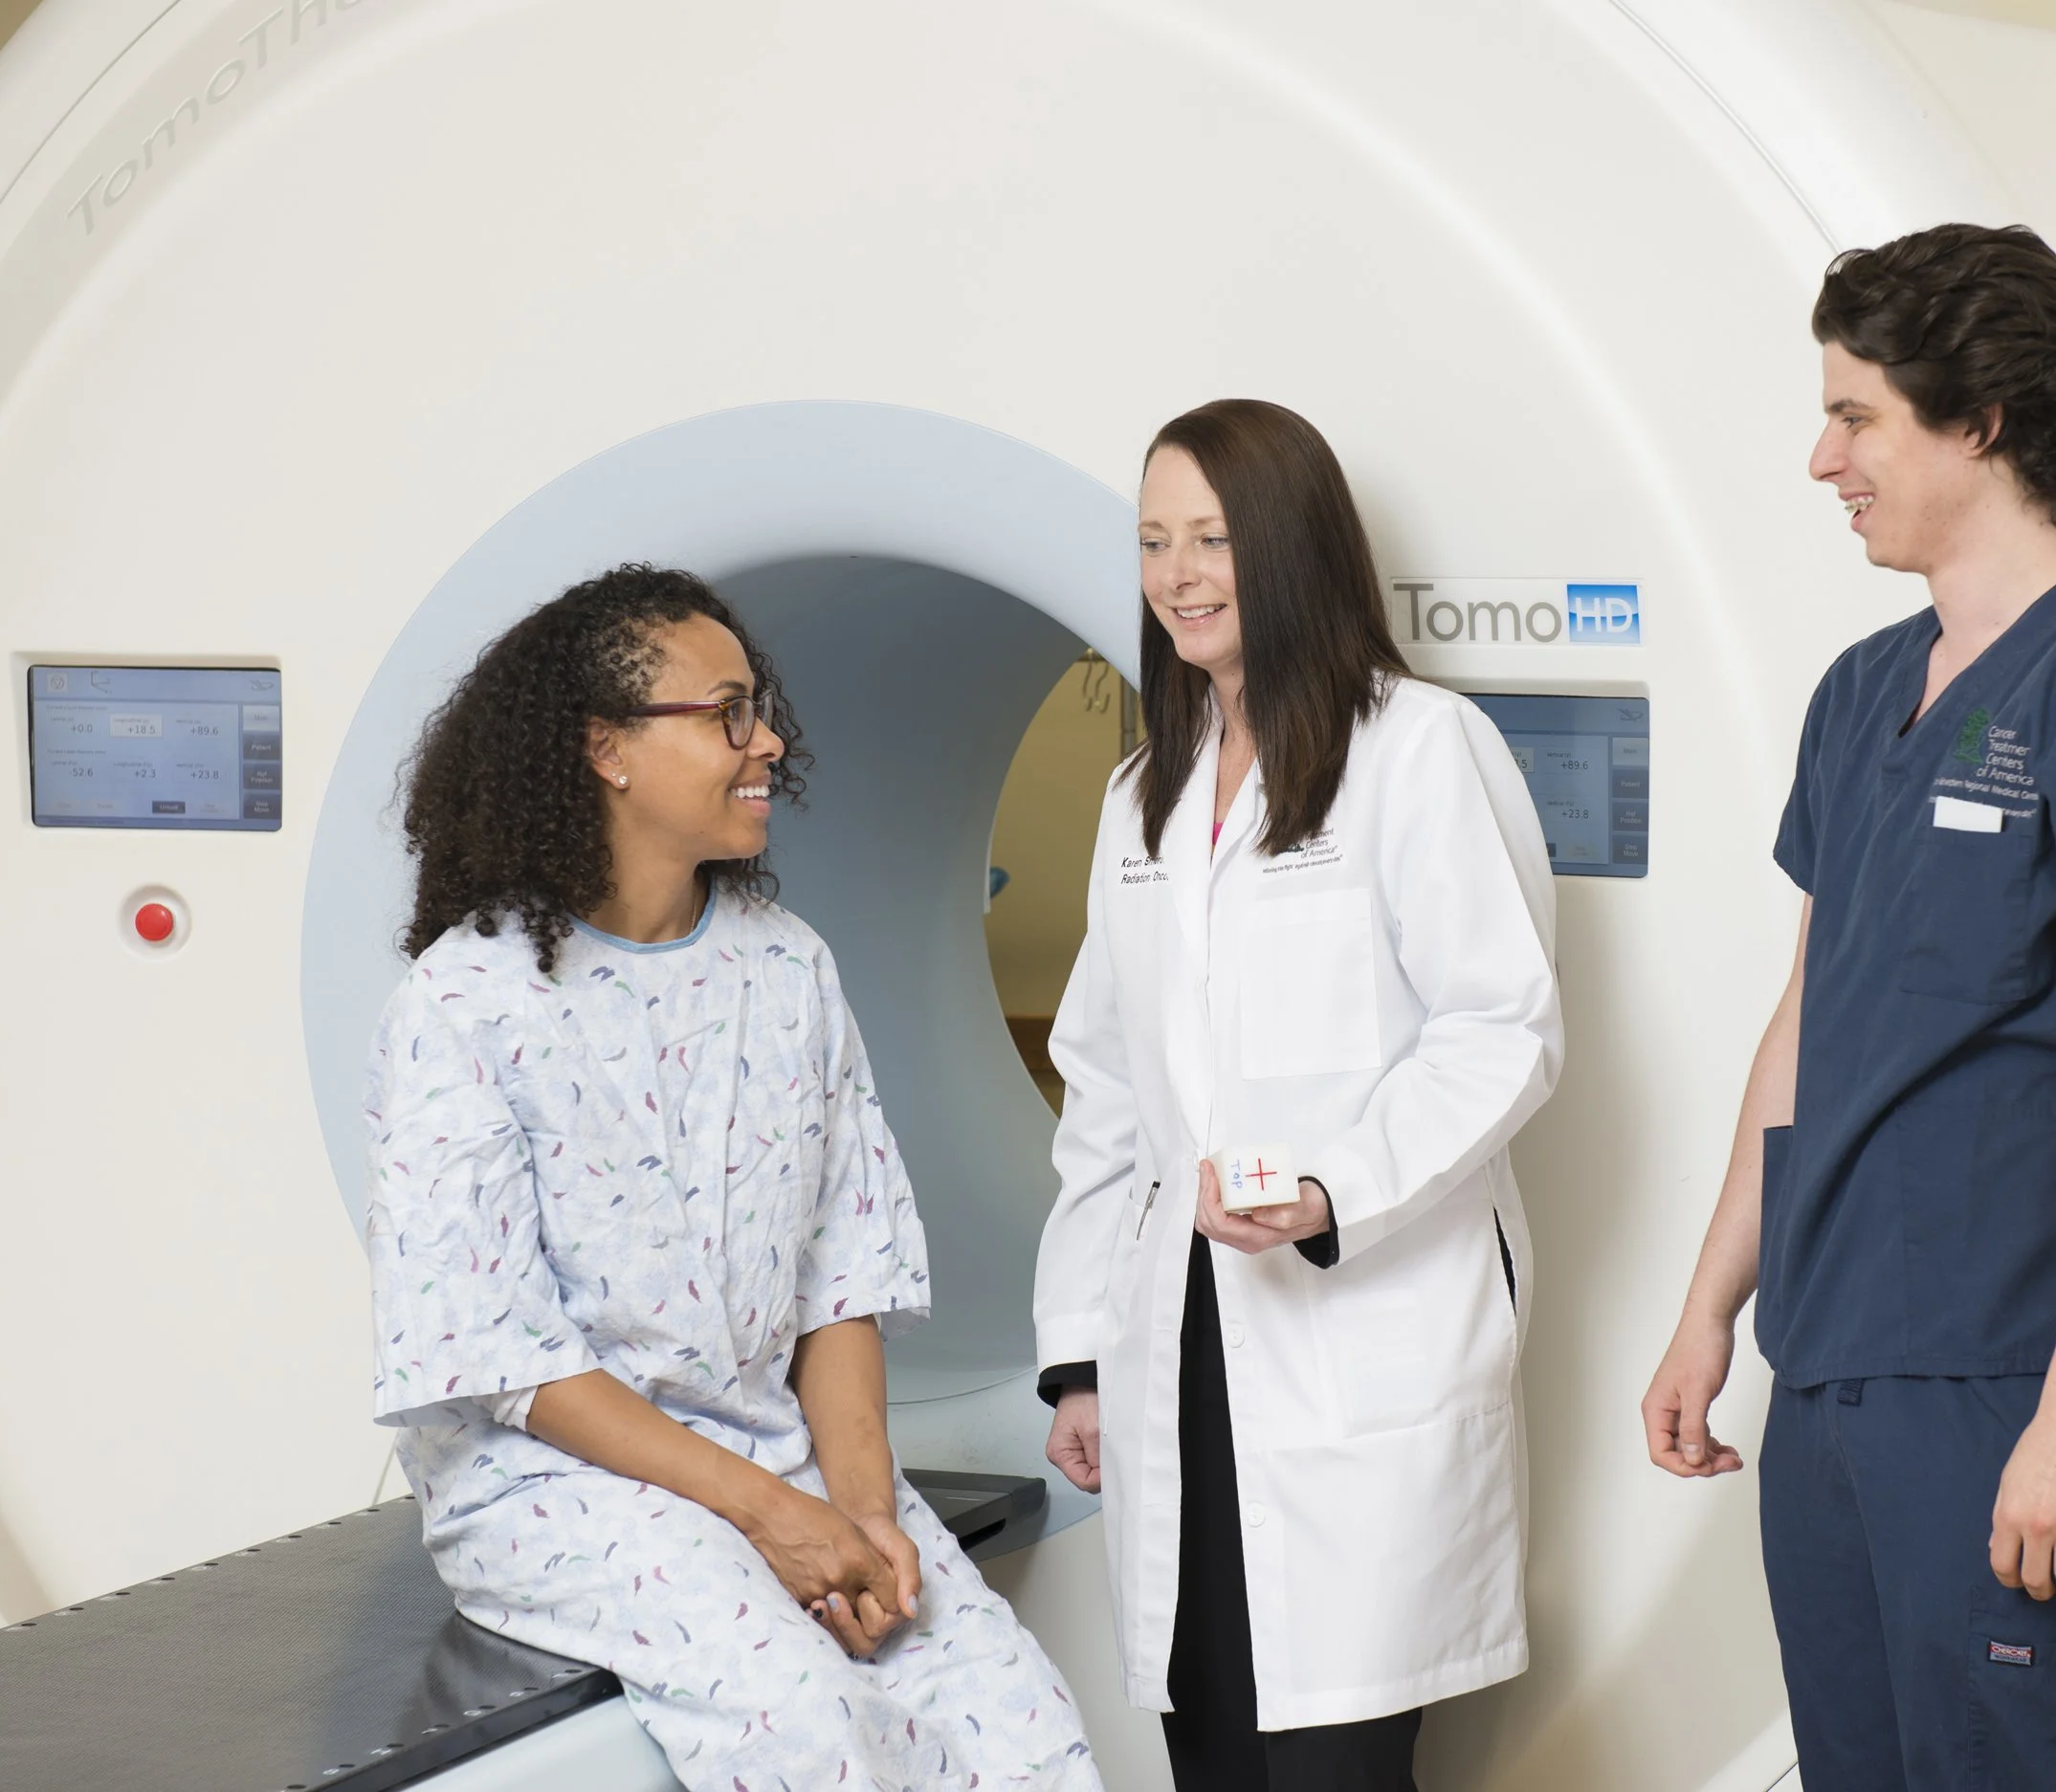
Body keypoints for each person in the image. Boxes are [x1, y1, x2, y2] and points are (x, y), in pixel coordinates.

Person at [1641, 225, 2056, 1787]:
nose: (1821, 455)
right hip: (1835, 1362)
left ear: (1977, 418)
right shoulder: (1864, 693)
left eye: (1856, 414)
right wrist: (1711, 1304)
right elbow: (1811, 1021)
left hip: (2010, 1373)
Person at [365, 564, 1099, 1792]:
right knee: (807, 1722)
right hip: (559, 1487)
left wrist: (863, 1514)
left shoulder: (787, 968)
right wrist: (772, 1515)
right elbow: (503, 1357)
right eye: (726, 713)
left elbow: (839, 1272)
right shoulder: (466, 999)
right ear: (605, 748)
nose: (766, 743)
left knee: (1013, 1715)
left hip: (782, 1450)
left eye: (758, 710)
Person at [1034, 400, 1564, 1791]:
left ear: (1288, 545)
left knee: (1334, 1766)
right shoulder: (1143, 792)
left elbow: (1500, 1028)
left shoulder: (1418, 749)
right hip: (1179, 1347)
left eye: (1211, 535)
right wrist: (1083, 1351)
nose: (1179, 572)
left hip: (1358, 1328)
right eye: (1155, 541)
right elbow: (1103, 1087)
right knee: (1208, 1748)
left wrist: (1338, 1188)